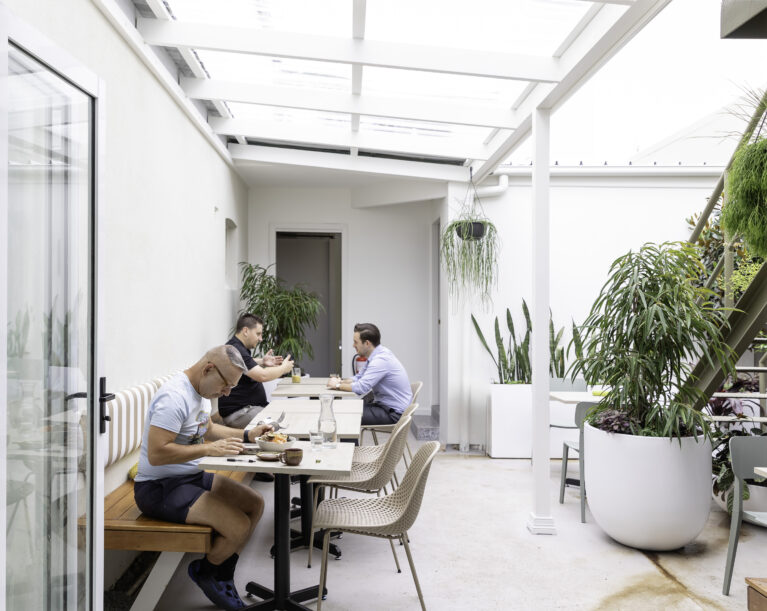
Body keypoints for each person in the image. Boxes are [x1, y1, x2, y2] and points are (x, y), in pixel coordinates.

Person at [134, 345, 273, 611]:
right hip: (158, 488)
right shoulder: (174, 397)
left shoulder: (201, 391)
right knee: (238, 526)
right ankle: (206, 572)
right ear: (209, 368)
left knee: (255, 504)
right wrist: (209, 449)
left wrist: (247, 435)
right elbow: (157, 454)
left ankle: (220, 575)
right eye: (226, 385)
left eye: (232, 387)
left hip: (190, 476)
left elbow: (206, 428)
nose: (228, 393)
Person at [217, 313, 294, 429]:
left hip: (248, 409)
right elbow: (262, 376)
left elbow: (244, 363)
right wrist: (283, 368)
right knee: (282, 424)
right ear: (246, 331)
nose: (261, 339)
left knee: (287, 417)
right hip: (240, 413)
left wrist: (262, 361)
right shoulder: (236, 349)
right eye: (258, 334)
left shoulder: (236, 347)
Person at [327, 323, 412, 425]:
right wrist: (340, 381)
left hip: (394, 413)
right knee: (348, 407)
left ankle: (350, 441)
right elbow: (359, 377)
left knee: (349, 414)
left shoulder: (380, 360)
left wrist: (337, 385)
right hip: (386, 406)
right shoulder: (377, 355)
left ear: (367, 343)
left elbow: (361, 388)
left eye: (356, 342)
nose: (353, 345)